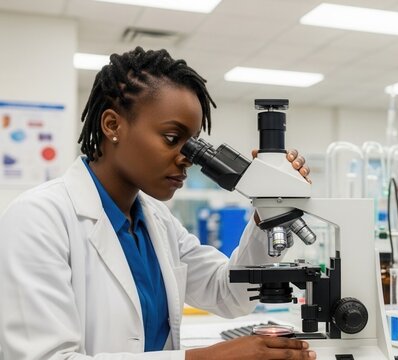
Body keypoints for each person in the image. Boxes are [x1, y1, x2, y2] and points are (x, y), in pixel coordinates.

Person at [0, 47, 316, 360]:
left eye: (193, 143)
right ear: (112, 125)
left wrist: (267, 211)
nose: (187, 158)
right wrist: (207, 358)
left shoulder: (157, 222)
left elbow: (228, 293)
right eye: (171, 137)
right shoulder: (37, 219)